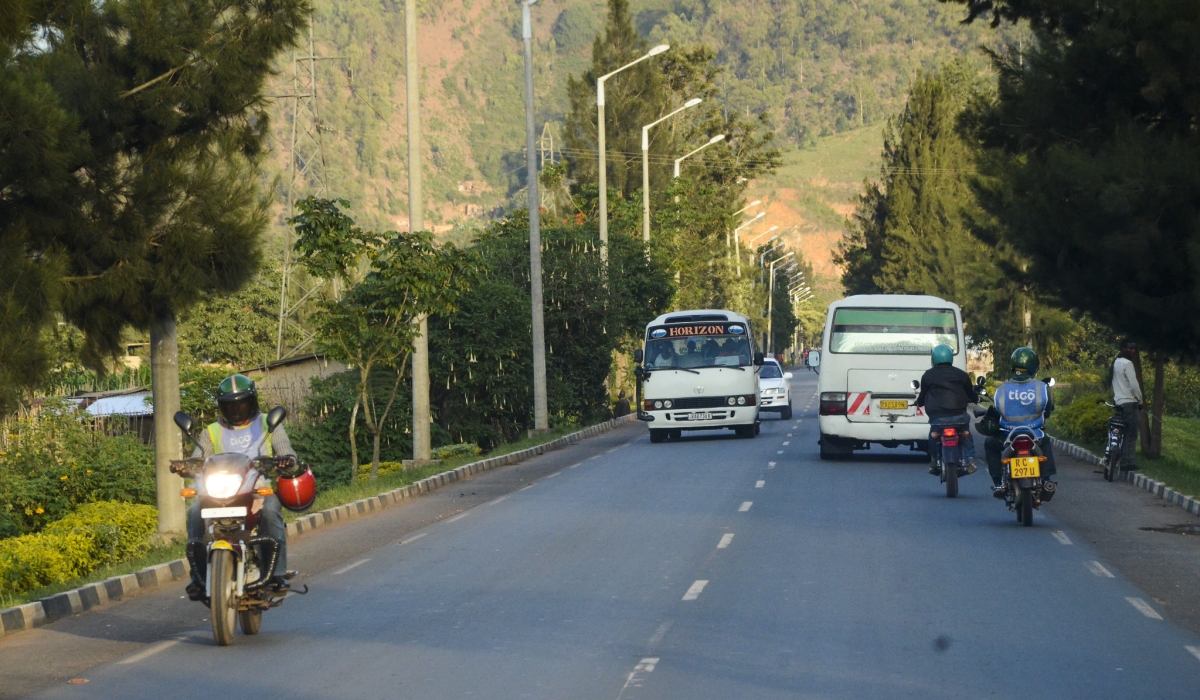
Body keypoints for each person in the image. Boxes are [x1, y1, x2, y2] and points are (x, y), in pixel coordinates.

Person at [185, 374, 296, 600]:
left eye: (241, 401)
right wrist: (186, 465)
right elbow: (198, 458)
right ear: (222, 406)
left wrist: (286, 459)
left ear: (251, 401)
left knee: (271, 510)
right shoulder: (211, 431)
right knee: (194, 512)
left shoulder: (268, 424)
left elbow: (287, 451)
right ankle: (198, 576)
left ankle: (277, 573)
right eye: (229, 404)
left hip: (257, 490)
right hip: (220, 490)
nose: (236, 408)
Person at [983, 347, 1057, 498]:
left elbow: (997, 412)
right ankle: (1046, 481)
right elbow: (1047, 412)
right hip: (1034, 435)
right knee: (1046, 442)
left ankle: (998, 483)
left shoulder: (1001, 390)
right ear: (1033, 367)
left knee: (990, 443)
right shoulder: (1042, 388)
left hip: (1007, 436)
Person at [915, 343, 977, 475]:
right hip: (960, 417)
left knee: (933, 437)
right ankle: (970, 460)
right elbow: (971, 394)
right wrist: (976, 399)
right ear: (950, 357)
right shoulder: (961, 375)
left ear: (934, 358)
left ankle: (934, 460)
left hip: (938, 419)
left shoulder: (928, 375)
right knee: (966, 436)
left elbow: (923, 395)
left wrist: (918, 403)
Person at [1111, 339, 1143, 470]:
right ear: (1122, 349)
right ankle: (1127, 462)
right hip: (1130, 402)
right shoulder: (1128, 364)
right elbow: (1134, 385)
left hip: (1119, 402)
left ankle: (1115, 456)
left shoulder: (1115, 363)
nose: (1133, 351)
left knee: (1121, 432)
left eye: (1134, 349)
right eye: (1130, 348)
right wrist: (1140, 400)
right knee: (1131, 434)